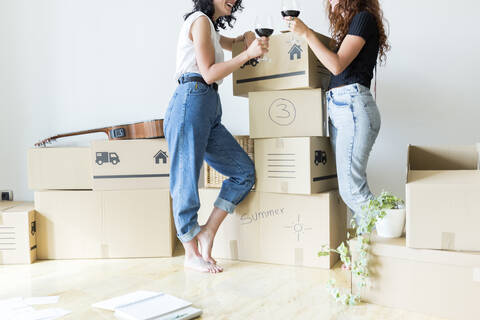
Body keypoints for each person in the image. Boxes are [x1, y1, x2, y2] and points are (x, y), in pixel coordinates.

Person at [164, 0, 269, 273]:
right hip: (192, 99)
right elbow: (209, 73)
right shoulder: (199, 20)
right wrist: (247, 55)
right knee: (186, 177)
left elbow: (229, 43)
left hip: (208, 105)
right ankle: (190, 251)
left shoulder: (208, 26)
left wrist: (244, 41)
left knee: (243, 172)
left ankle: (208, 230)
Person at [285, 0, 390, 223]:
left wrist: (307, 34)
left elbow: (336, 65)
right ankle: (365, 251)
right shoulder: (354, 24)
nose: (329, 1)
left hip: (351, 107)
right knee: (353, 189)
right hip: (344, 109)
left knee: (352, 191)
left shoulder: (363, 18)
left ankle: (392, 229)